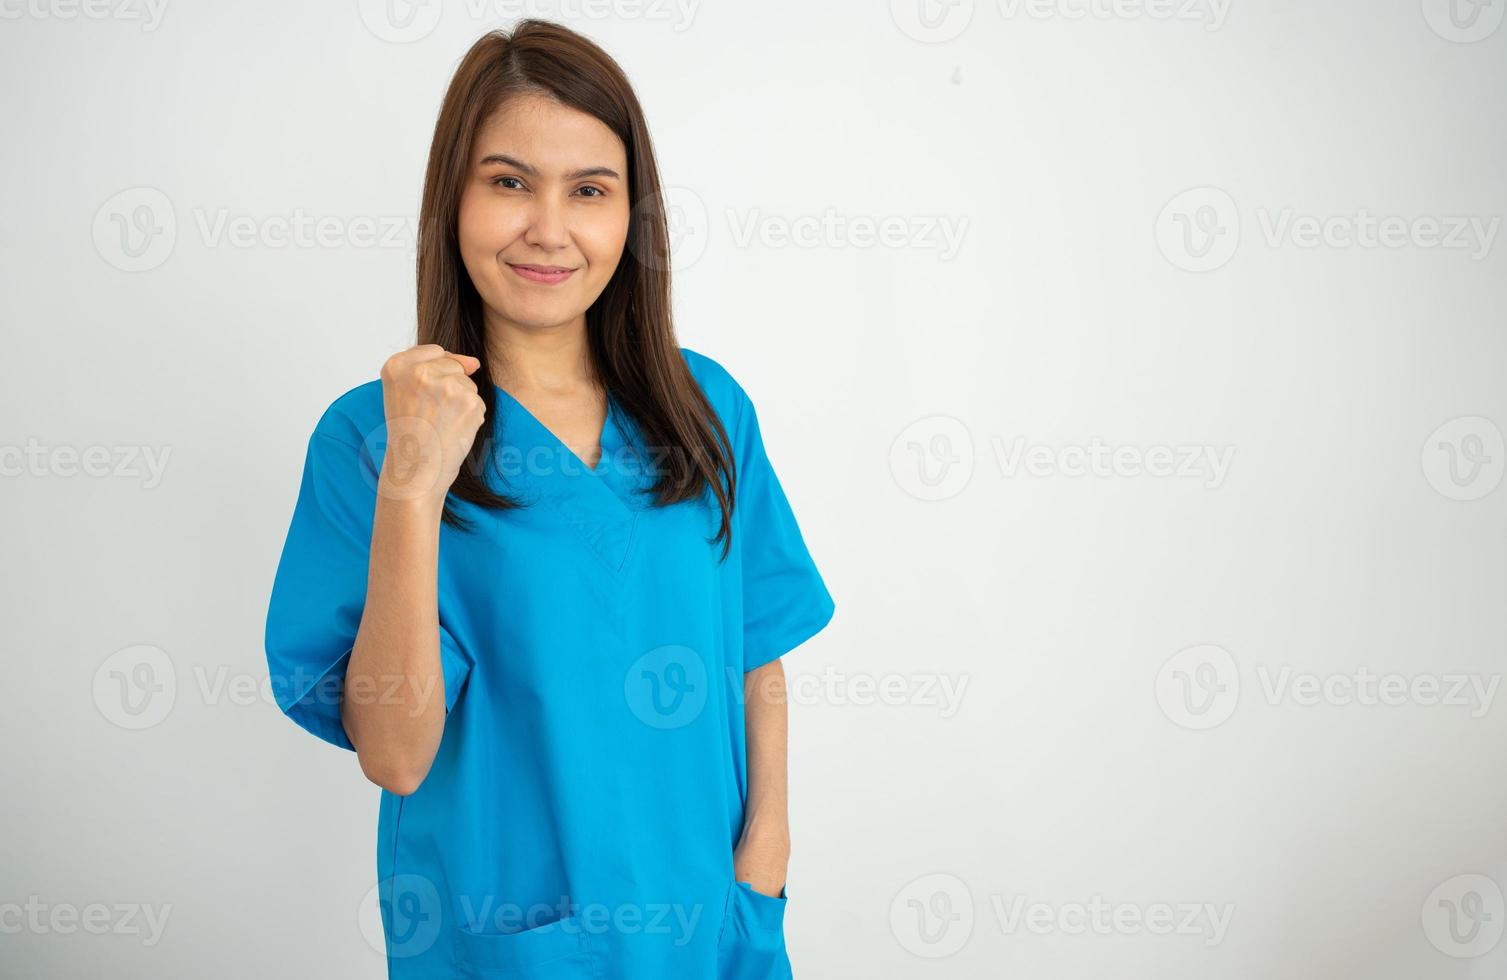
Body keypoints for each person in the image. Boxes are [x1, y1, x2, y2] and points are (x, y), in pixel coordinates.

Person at [263, 20, 835, 979]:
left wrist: (764, 858)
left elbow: (756, 648)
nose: (549, 229)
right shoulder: (368, 439)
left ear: (631, 217)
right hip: (505, 940)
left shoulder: (706, 410)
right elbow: (396, 756)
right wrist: (413, 485)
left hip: (712, 924)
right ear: (453, 197)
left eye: (590, 191)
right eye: (508, 181)